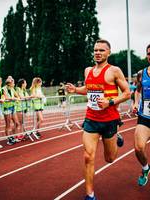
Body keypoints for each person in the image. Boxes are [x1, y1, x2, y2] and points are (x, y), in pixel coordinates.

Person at [66, 39, 131, 200]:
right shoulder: (88, 71)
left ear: (109, 53)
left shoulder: (114, 71)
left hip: (109, 120)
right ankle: (90, 195)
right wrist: (75, 89)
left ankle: (116, 137)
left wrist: (110, 102)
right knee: (88, 157)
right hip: (91, 119)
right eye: (95, 50)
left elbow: (127, 93)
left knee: (110, 159)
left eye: (102, 50)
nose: (97, 52)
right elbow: (88, 89)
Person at [133, 44, 150, 186]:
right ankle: (145, 168)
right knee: (138, 148)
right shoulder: (141, 73)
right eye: (149, 53)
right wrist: (135, 103)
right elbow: (137, 91)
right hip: (145, 116)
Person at [2, 76, 20, 145]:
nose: (14, 84)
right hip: (7, 108)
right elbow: (6, 97)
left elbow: (17, 96)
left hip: (12, 107)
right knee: (8, 125)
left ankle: (12, 136)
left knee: (17, 123)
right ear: (9, 83)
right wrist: (14, 98)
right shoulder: (3, 89)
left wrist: (16, 98)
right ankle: (9, 139)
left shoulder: (12, 89)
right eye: (13, 82)